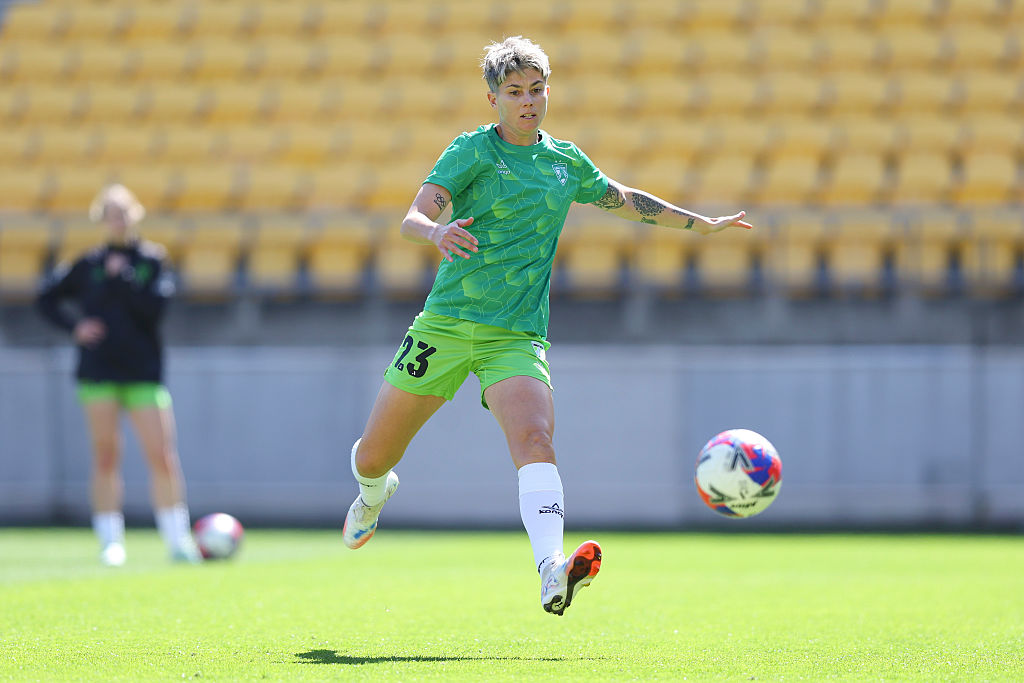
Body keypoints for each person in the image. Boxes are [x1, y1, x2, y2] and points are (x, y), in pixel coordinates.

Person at [342, 36, 752, 615]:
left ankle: (550, 571)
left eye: (536, 90)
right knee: (373, 457)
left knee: (536, 441)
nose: (528, 101)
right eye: (514, 92)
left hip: (517, 336)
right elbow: (413, 217)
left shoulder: (565, 163)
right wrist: (435, 232)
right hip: (446, 326)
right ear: (493, 98)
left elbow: (624, 198)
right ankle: (372, 492)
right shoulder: (470, 153)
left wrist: (699, 225)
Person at [37, 184, 200, 566]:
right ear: (102, 220)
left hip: (142, 371)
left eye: (124, 212)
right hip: (99, 372)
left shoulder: (151, 260)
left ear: (135, 215)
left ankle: (178, 540)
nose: (118, 220)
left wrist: (124, 277)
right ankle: (111, 541)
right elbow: (47, 298)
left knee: (162, 456)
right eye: (111, 214)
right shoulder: (88, 264)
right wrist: (74, 326)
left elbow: (155, 310)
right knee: (106, 456)